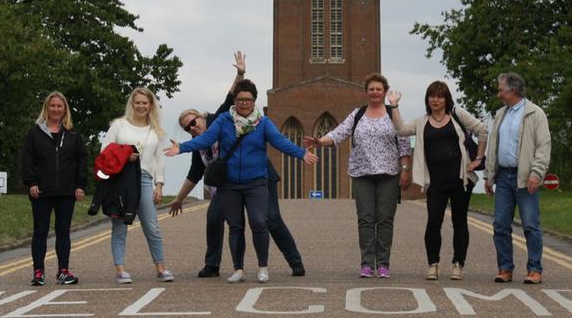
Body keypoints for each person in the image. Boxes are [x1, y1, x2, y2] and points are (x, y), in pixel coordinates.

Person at [167, 52, 307, 278]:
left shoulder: (221, 118)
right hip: (229, 183)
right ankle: (212, 265)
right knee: (215, 218)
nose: (191, 128)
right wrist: (179, 199)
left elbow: (232, 96)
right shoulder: (199, 145)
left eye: (193, 122)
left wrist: (240, 73)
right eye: (187, 128)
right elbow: (195, 174)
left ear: (202, 117)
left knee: (270, 219)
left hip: (260, 177)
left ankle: (295, 261)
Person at [303, 73, 412, 278]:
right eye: (371, 89)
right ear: (366, 92)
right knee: (366, 219)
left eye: (378, 89)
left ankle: (383, 264)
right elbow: (339, 133)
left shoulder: (392, 113)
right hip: (362, 174)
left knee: (385, 219)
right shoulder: (358, 114)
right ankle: (366, 263)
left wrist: (405, 171)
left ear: (384, 91)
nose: (375, 92)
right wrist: (319, 142)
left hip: (388, 173)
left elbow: (404, 143)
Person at [391, 81, 488, 281]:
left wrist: (478, 159)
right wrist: (394, 105)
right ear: (427, 99)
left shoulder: (457, 115)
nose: (435, 100)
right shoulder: (421, 122)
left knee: (459, 223)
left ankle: (458, 264)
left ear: (446, 99)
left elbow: (483, 130)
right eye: (432, 96)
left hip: (461, 180)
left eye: (440, 96)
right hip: (436, 182)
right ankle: (433, 264)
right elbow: (400, 130)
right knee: (433, 223)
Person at [484, 72, 551, 284]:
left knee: (530, 224)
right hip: (503, 176)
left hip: (525, 177)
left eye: (501, 90)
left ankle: (534, 269)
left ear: (512, 90)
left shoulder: (535, 113)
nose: (499, 94)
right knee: (500, 224)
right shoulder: (500, 115)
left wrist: (536, 173)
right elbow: (493, 146)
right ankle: (505, 268)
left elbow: (543, 146)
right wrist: (489, 175)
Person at [102, 87, 174, 284]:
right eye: (138, 102)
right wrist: (125, 155)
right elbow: (105, 150)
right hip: (121, 178)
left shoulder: (155, 131)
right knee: (120, 225)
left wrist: (159, 185)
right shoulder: (119, 125)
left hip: (143, 178)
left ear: (150, 105)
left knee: (151, 225)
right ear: (132, 104)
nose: (141, 106)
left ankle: (161, 267)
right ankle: (120, 269)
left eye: (145, 102)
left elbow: (159, 159)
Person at [20, 92, 88, 286]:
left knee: (63, 232)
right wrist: (31, 182)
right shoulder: (35, 133)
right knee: (40, 231)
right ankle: (38, 272)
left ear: (64, 109)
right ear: (47, 108)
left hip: (66, 192)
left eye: (60, 106)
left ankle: (63, 271)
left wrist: (80, 186)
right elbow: (27, 160)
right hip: (41, 192)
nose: (56, 109)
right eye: (53, 106)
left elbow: (81, 161)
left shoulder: (73, 135)